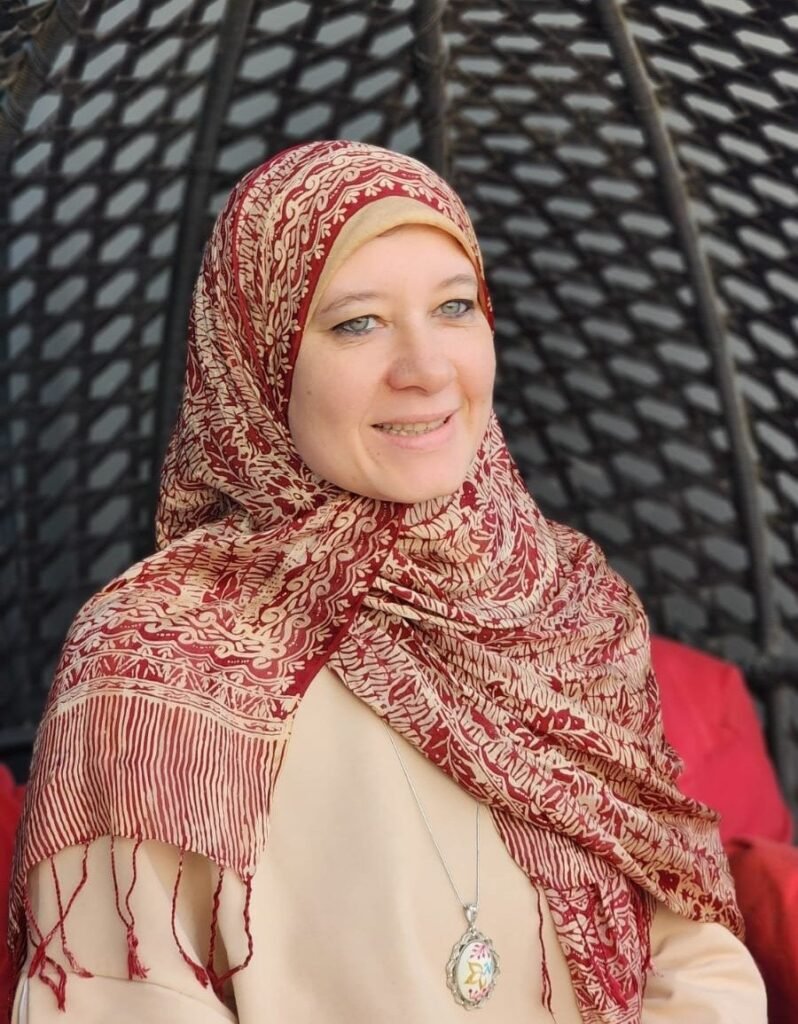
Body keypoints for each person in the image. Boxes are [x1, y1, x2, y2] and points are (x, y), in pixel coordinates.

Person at [8, 140, 766, 1023]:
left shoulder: (567, 605)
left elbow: (691, 945)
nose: (428, 369)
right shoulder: (153, 654)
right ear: (257, 359)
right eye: (357, 324)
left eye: (454, 307)